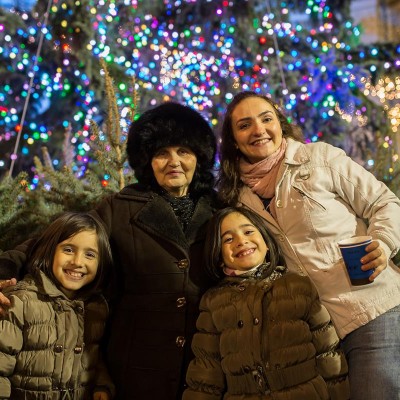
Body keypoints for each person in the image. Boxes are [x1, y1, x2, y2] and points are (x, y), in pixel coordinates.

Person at [0, 102, 219, 400]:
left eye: (183, 151)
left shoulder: (219, 210)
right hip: (136, 367)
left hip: (202, 365)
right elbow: (56, 241)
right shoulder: (119, 208)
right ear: (147, 161)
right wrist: (5, 268)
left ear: (198, 157)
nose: (174, 162)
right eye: (161, 153)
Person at [216, 90, 400, 400]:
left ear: (280, 124)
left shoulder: (319, 159)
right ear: (233, 140)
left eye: (266, 119)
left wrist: (383, 243)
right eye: (245, 125)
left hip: (371, 307)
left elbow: (385, 202)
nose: (259, 130)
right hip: (314, 332)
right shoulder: (236, 198)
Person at [183, 206, 349, 400]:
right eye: (228, 239)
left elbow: (328, 354)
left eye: (248, 232)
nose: (241, 241)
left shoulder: (298, 286)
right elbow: (205, 375)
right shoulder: (213, 302)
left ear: (266, 242)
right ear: (218, 256)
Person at [0, 212, 115, 400]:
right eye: (68, 250)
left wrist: (102, 385)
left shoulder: (96, 308)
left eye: (90, 254)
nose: (77, 262)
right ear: (50, 251)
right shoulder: (21, 302)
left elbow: (94, 356)